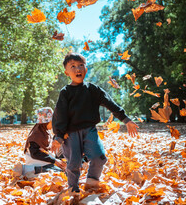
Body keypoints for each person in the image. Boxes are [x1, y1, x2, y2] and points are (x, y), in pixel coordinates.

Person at [51, 52, 139, 193]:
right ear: (66, 72)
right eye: (72, 66)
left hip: (89, 130)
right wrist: (59, 136)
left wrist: (125, 119)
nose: (78, 69)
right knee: (74, 163)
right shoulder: (65, 92)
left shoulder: (92, 89)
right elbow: (60, 115)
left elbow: (110, 103)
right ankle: (73, 190)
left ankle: (92, 182)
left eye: (81, 65)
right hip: (70, 134)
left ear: (86, 69)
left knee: (99, 157)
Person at [13, 107, 66, 177]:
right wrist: (54, 160)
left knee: (63, 172)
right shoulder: (36, 135)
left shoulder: (45, 132)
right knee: (58, 173)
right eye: (51, 122)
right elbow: (35, 153)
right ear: (45, 122)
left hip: (46, 163)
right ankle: (26, 170)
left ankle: (35, 170)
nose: (53, 124)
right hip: (36, 163)